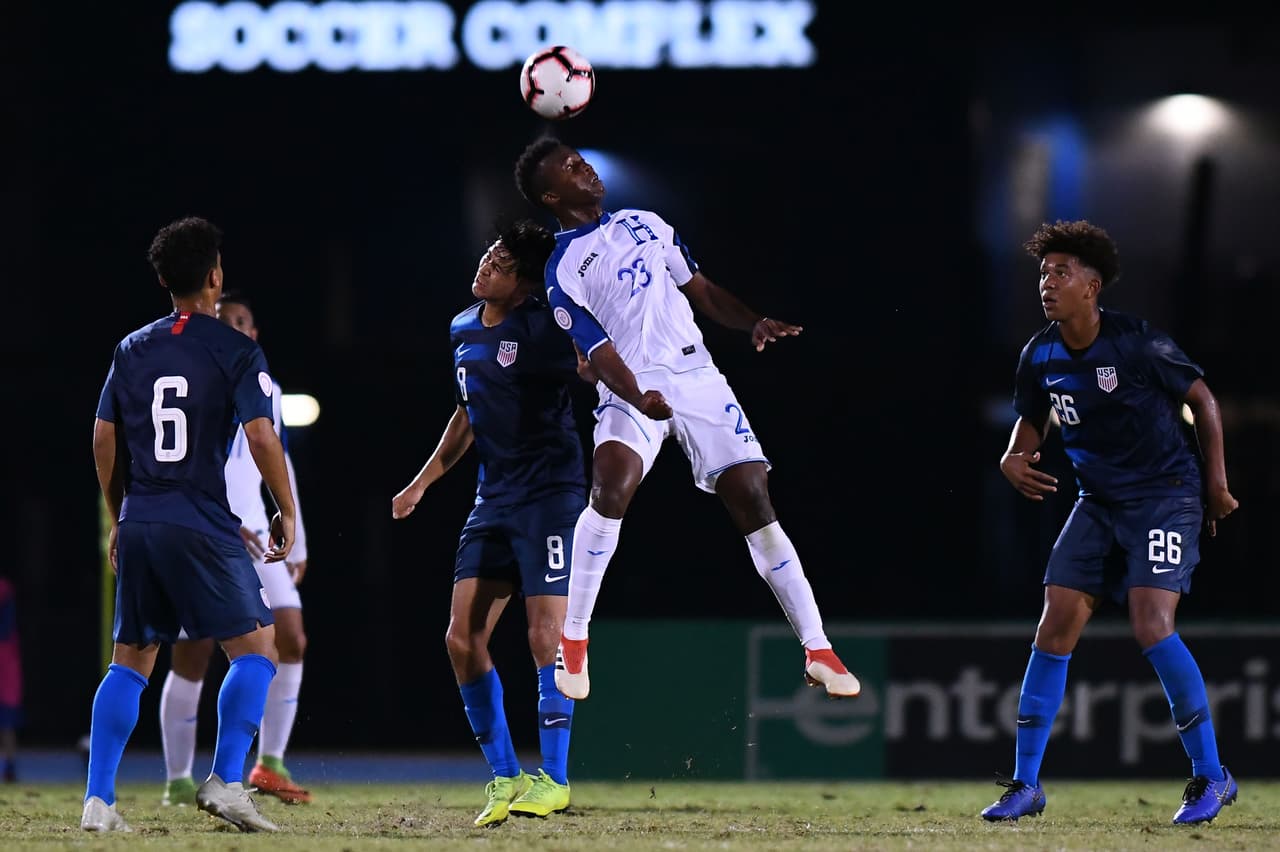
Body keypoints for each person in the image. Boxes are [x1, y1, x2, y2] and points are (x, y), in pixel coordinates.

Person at [512, 138, 861, 702]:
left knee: (753, 493)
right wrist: (637, 395)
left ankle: (817, 648)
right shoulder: (562, 268)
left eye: (583, 159)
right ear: (552, 194)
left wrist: (751, 322)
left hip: (696, 376)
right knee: (611, 482)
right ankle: (574, 641)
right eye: (572, 167)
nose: (587, 168)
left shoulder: (646, 221)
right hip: (631, 382)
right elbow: (598, 353)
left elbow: (700, 290)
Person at [981, 220, 1238, 825]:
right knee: (1055, 621)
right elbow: (1034, 418)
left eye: (1062, 272)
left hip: (1165, 494)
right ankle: (1025, 785)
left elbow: (1202, 400)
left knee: (1151, 623)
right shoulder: (1039, 352)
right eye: (1044, 272)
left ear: (1092, 287)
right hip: (1097, 500)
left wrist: (1216, 483)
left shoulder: (1137, 343)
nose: (1047, 282)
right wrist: (1012, 455)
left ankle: (1211, 775)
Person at [83, 216, 295, 833]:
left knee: (130, 660)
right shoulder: (234, 347)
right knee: (257, 649)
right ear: (215, 276)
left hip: (142, 516)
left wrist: (119, 512)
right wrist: (286, 509)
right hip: (201, 518)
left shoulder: (131, 347)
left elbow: (102, 437)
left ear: (161, 279)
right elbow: (261, 435)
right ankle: (228, 781)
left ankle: (99, 801)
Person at [393, 220, 588, 826]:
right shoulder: (460, 329)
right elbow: (468, 413)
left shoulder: (543, 330)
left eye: (501, 264)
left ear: (525, 284)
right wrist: (424, 481)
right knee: (460, 638)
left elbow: (591, 363)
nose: (486, 267)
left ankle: (553, 780)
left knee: (543, 639)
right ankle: (505, 776)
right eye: (488, 256)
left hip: (552, 496)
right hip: (493, 499)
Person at [159, 292, 312, 806]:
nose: (234, 329)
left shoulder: (263, 382)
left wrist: (297, 538)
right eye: (224, 321)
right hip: (210, 529)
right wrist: (223, 520)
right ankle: (179, 777)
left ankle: (268, 764)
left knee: (290, 636)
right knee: (194, 652)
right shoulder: (196, 380)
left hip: (259, 536)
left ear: (255, 332)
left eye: (241, 321)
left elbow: (279, 462)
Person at [0, 576, 20, 782]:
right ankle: (9, 767)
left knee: (6, 721)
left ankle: (10, 767)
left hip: (5, 662)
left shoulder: (4, 589)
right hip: (7, 660)